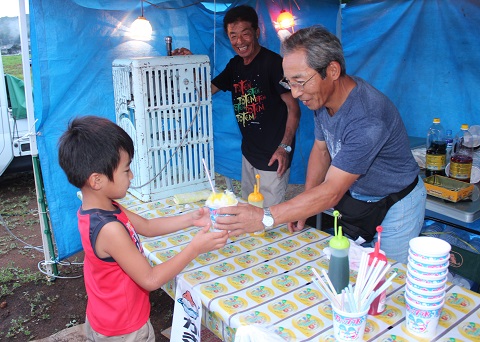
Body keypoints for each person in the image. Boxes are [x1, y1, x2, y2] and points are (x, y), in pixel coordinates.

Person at [215, 26, 426, 264]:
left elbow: (333, 191)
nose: (295, 93)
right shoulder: (323, 99)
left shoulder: (367, 118)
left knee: (390, 276)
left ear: (332, 70)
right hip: (360, 199)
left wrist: (266, 217)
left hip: (397, 203)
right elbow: (321, 149)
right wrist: (306, 202)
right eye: (289, 83)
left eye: (301, 81)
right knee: (349, 269)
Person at [58, 116, 228, 341]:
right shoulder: (108, 228)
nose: (132, 176)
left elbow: (147, 226)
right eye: (126, 170)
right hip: (124, 329)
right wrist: (194, 248)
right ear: (97, 180)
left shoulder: (101, 208)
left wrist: (190, 219)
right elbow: (150, 279)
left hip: (105, 315)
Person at [173, 5, 301, 206]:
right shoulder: (235, 66)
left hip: (274, 158)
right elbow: (205, 92)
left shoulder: (273, 63)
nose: (239, 41)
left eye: (245, 34)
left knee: (269, 218)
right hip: (249, 155)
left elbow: (294, 108)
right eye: (233, 36)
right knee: (249, 213)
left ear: (257, 33)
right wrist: (189, 64)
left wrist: (284, 148)